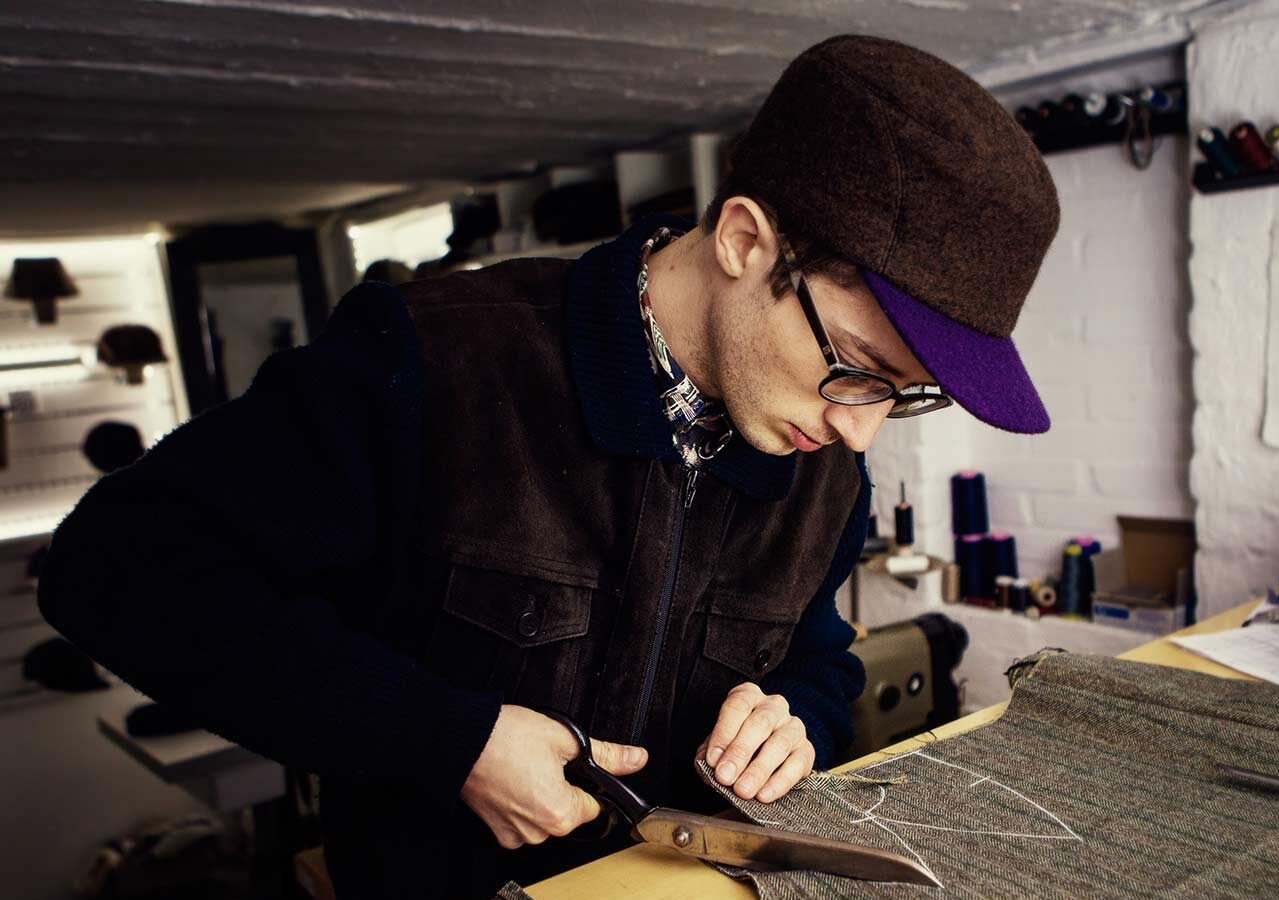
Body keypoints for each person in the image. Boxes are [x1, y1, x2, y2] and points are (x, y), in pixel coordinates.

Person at [38, 34, 1060, 899]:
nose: (861, 432)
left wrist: (799, 716)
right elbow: (117, 569)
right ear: (747, 239)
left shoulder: (820, 454)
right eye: (860, 370)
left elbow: (819, 656)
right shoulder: (435, 363)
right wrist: (445, 739)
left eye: (905, 393)